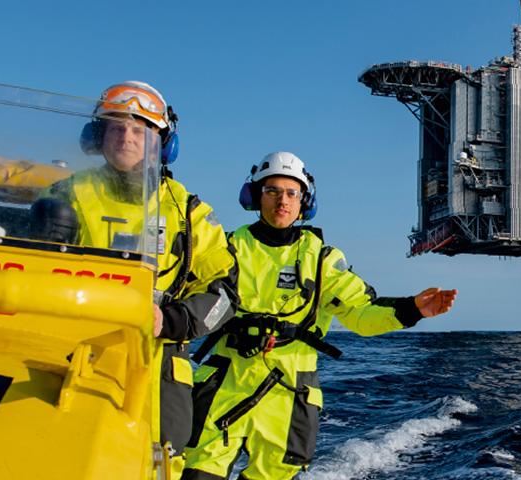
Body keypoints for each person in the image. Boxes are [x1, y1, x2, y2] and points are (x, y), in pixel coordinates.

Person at [183, 152, 457, 480]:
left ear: (305, 201)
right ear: (255, 196)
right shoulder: (226, 248)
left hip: (290, 393)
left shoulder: (322, 260)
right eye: (271, 191)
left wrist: (412, 310)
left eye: (291, 193)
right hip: (223, 383)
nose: (281, 200)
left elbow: (359, 314)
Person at [42, 80, 238, 477]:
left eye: (140, 129)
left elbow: (226, 294)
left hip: (160, 368)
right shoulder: (65, 195)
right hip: (74, 356)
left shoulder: (189, 212)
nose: (126, 137)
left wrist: (171, 320)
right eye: (116, 126)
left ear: (162, 143)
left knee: (161, 465)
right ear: (98, 136)